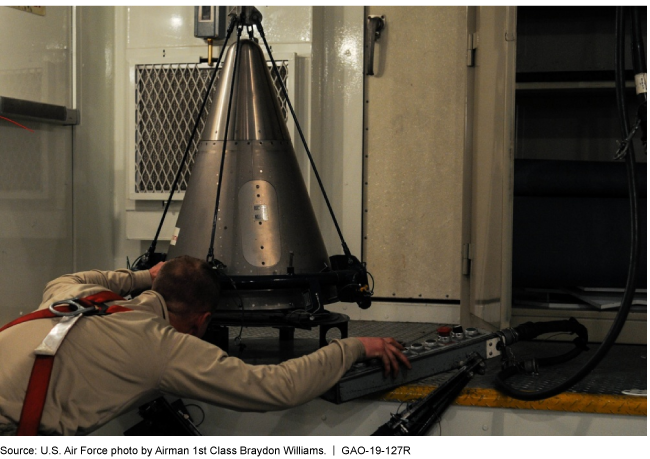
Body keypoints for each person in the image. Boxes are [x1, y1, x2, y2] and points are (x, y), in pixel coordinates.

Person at [0, 255, 410, 435]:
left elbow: (82, 275)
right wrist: (353, 348)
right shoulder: (159, 348)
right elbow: (274, 387)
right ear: (202, 321)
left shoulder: (67, 293)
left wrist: (143, 277)